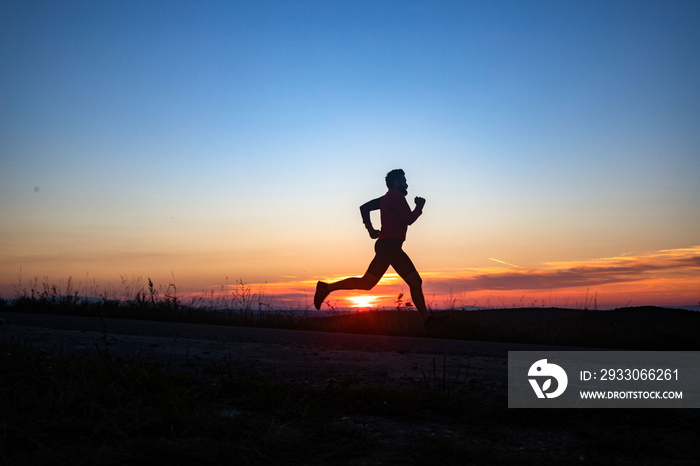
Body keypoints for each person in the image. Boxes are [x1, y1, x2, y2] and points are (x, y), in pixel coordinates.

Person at [313, 169, 447, 330]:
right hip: (390, 247)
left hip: (388, 247)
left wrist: (370, 229)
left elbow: (364, 208)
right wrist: (419, 207)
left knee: (368, 283)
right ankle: (428, 321)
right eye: (404, 180)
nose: (407, 183)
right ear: (396, 182)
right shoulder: (396, 196)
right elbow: (409, 219)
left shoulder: (386, 198)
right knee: (414, 281)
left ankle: (326, 288)